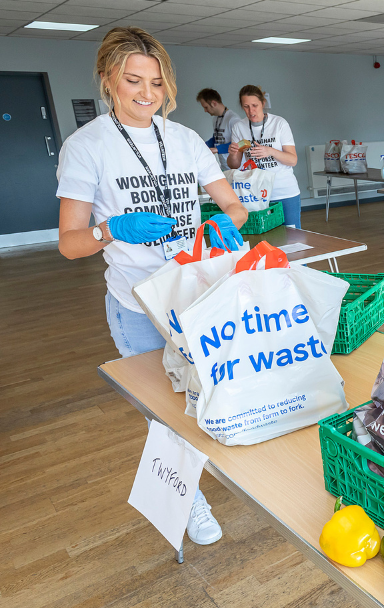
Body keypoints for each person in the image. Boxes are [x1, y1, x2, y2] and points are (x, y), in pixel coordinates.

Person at [56, 27, 248, 546]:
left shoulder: (184, 139)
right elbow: (70, 244)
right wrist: (110, 229)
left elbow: (233, 202)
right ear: (108, 81)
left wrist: (225, 220)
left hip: (197, 296)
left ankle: (210, 467)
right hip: (138, 306)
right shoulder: (86, 146)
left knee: (204, 392)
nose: (146, 93)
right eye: (133, 81)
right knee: (164, 413)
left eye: (157, 83)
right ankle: (191, 502)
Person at [228, 85, 301, 227]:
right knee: (265, 240)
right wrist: (233, 154)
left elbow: (292, 160)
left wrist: (270, 151)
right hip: (255, 195)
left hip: (284, 192)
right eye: (246, 106)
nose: (251, 111)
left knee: (293, 238)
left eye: (254, 105)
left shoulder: (279, 123)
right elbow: (234, 164)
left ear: (263, 103)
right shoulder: (239, 127)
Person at [196, 88, 239, 170]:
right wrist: (200, 146)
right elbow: (216, 139)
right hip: (224, 166)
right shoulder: (215, 119)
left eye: (206, 107)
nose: (205, 111)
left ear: (213, 103)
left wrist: (217, 149)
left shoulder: (233, 119)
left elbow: (239, 143)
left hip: (238, 169)